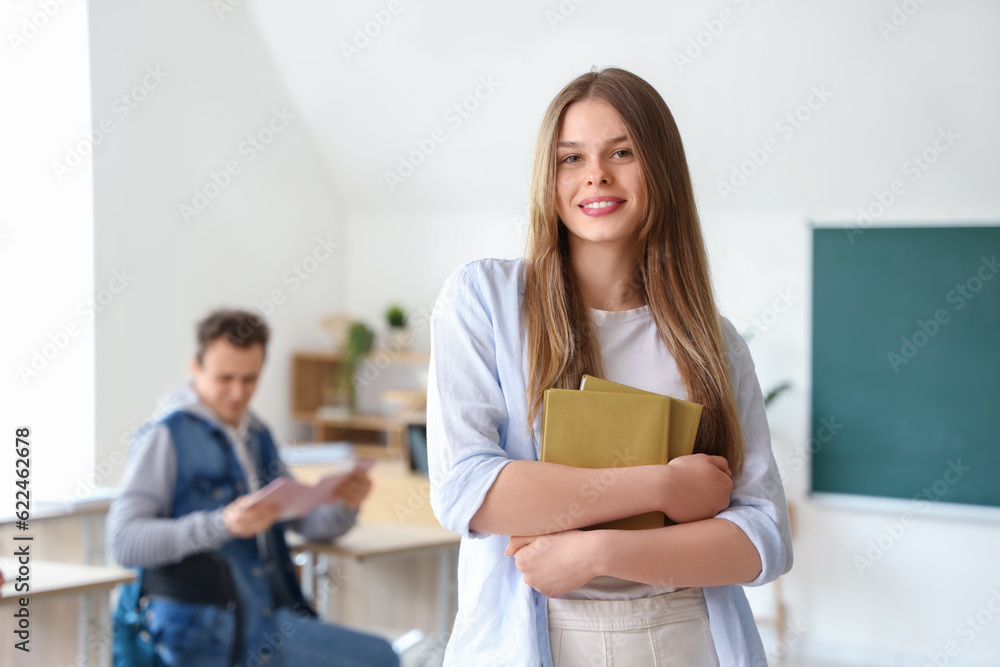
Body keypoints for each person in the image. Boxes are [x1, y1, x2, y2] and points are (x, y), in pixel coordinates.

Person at [427, 67, 792, 666]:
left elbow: (762, 542)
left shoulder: (714, 343)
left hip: (685, 634)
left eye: (621, 152)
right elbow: (471, 491)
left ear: (661, 168)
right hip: (539, 637)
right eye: (571, 158)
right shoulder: (485, 299)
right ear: (549, 178)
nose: (595, 174)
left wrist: (598, 552)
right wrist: (666, 486)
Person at [107, 308, 398, 667]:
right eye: (224, 378)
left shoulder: (256, 435)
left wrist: (343, 505)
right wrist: (221, 525)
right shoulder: (165, 436)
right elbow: (123, 542)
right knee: (379, 657)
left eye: (250, 379)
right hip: (205, 629)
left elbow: (305, 522)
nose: (237, 393)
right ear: (195, 368)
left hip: (266, 616)